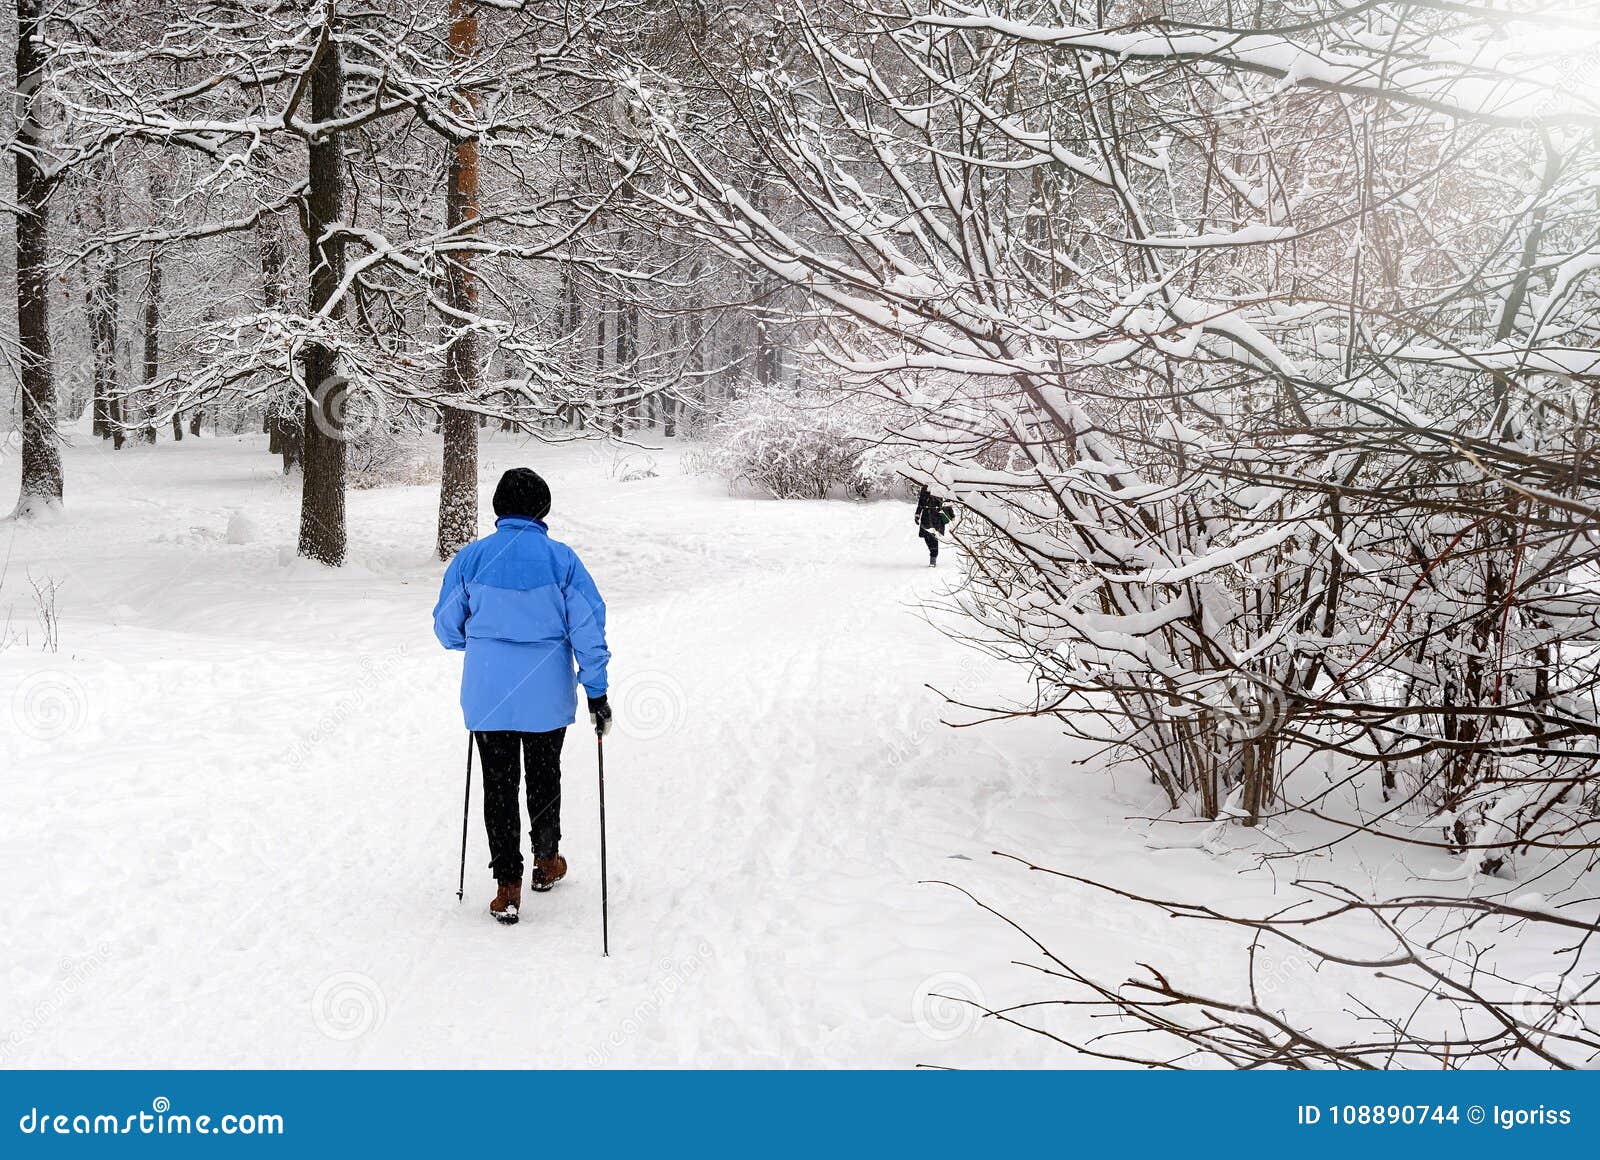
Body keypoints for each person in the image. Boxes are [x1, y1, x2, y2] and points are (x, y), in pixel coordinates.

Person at [432, 467, 613, 925]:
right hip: (546, 694)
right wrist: (597, 691)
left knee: (498, 784)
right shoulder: (562, 561)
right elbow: (589, 627)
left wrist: (477, 643)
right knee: (543, 777)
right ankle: (546, 860)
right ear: (543, 508)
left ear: (498, 508)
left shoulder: (471, 560)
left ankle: (506, 884)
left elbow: (446, 626)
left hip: (487, 692)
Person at [914, 484, 955, 567]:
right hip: (925, 517)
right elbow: (921, 502)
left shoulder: (941, 486)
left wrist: (952, 515)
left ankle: (933, 559)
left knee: (935, 538)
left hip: (937, 517)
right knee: (927, 537)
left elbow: (946, 503)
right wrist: (917, 514)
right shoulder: (925, 487)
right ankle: (932, 553)